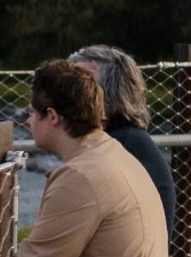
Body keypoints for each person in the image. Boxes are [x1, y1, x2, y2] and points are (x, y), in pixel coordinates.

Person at [13, 59, 177, 257]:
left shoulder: (80, 176)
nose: (27, 121)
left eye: (31, 113)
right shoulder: (114, 152)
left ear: (52, 117)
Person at [71, 43, 176, 225]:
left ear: (104, 94)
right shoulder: (128, 140)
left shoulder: (117, 147)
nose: (65, 95)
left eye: (77, 86)